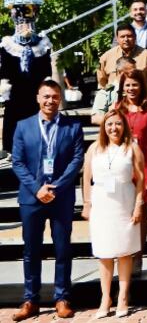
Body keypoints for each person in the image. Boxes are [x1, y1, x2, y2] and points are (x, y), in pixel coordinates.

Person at [11, 82, 85, 321]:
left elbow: (77, 159)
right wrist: (36, 189)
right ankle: (31, 299)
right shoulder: (22, 127)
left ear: (60, 99)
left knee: (63, 249)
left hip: (61, 197)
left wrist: (58, 186)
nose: (50, 101)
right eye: (46, 97)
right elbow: (18, 162)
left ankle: (62, 298)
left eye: (55, 97)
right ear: (37, 98)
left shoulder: (72, 126)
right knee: (31, 250)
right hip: (31, 198)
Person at [82, 109, 144, 317]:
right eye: (109, 124)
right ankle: (105, 297)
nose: (113, 128)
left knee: (124, 252)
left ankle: (123, 297)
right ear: (104, 127)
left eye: (118, 124)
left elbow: (141, 179)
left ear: (124, 126)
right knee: (104, 252)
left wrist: (138, 204)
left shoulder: (131, 148)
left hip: (124, 203)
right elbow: (86, 178)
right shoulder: (94, 148)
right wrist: (87, 203)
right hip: (102, 204)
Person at [112, 70, 147, 273]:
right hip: (122, 163)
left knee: (140, 210)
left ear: (142, 86)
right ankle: (123, 252)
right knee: (122, 209)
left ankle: (138, 254)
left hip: (144, 164)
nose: (131, 89)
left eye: (135, 84)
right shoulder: (116, 108)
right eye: (127, 85)